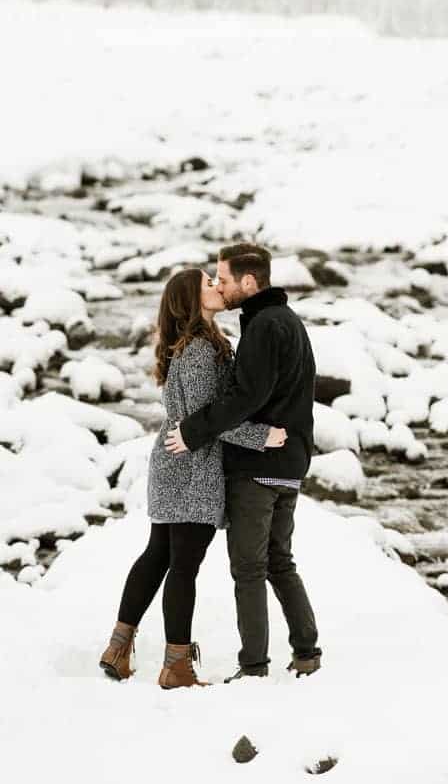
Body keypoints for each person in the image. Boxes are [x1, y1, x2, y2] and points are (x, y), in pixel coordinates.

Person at [99, 268, 287, 689]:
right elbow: (209, 420)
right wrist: (264, 437)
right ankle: (177, 665)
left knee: (158, 556)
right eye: (208, 284)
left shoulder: (191, 344)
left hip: (175, 461)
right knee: (182, 565)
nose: (218, 287)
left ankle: (118, 647)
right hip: (192, 467)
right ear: (192, 299)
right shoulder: (202, 349)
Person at [164, 243, 322, 681]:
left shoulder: (265, 326)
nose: (220, 286)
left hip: (258, 465)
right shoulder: (284, 321)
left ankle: (253, 667)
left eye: (226, 279)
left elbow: (245, 398)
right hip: (289, 463)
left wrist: (194, 431)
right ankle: (307, 652)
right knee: (278, 560)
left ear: (249, 282)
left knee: (249, 568)